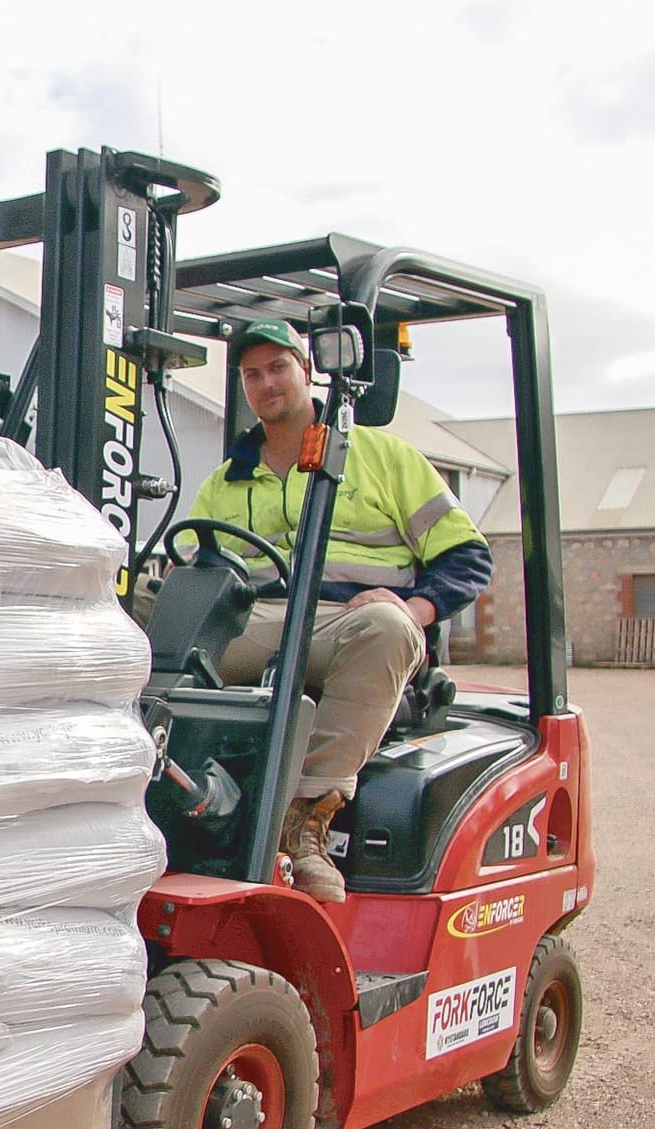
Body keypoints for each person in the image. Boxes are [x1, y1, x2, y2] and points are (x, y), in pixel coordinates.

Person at [184, 318, 492, 902]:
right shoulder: (228, 480)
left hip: (342, 626)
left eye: (278, 367)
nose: (266, 382)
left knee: (386, 625)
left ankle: (303, 823)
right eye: (252, 373)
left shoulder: (381, 456)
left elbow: (468, 558)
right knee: (138, 614)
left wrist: (416, 605)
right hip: (254, 622)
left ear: (307, 371)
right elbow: (197, 567)